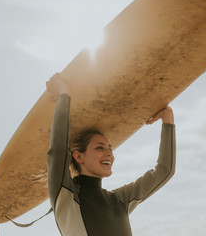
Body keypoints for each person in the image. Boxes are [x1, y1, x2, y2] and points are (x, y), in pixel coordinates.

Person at [46, 73, 176, 236]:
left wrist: (168, 120)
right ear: (79, 156)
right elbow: (57, 150)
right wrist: (64, 94)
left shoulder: (120, 200)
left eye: (110, 148)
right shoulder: (66, 195)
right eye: (100, 148)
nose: (109, 153)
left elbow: (165, 171)